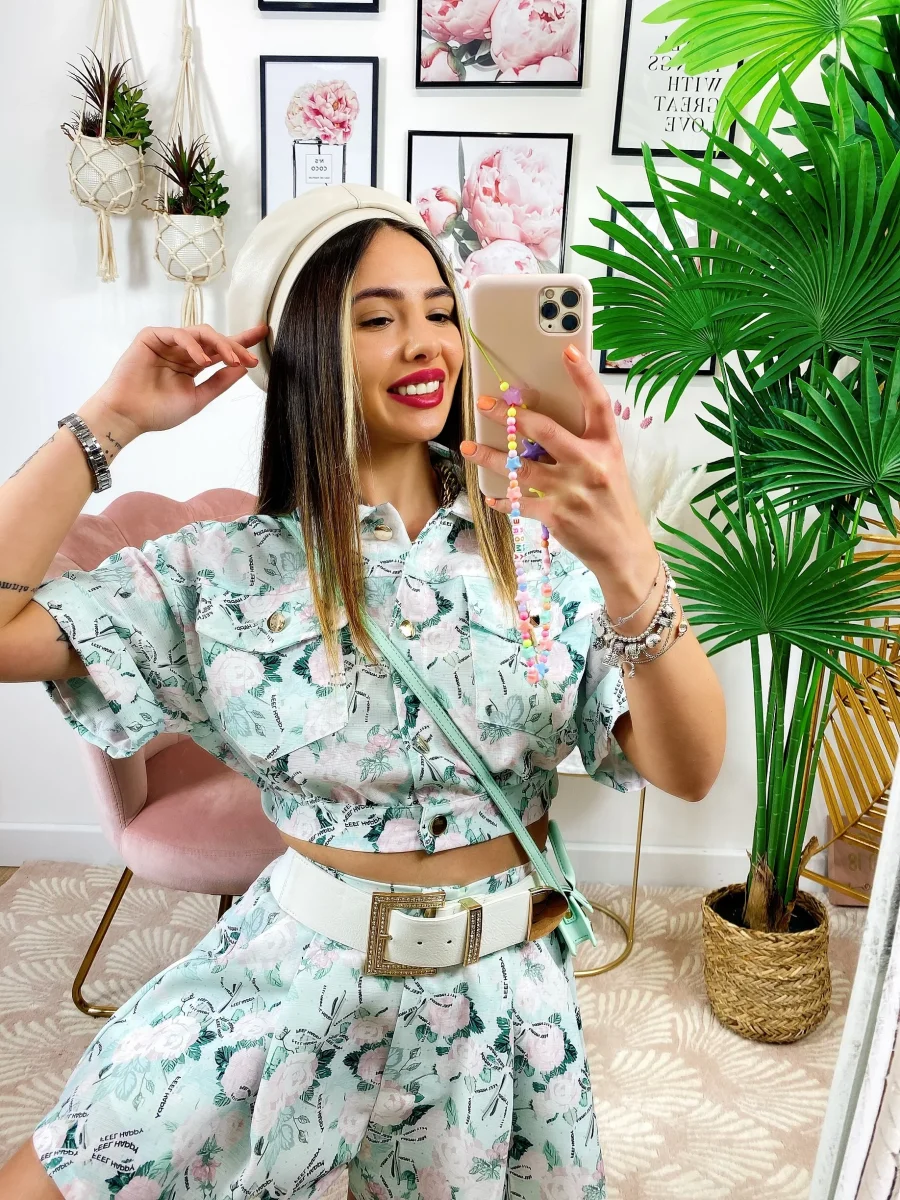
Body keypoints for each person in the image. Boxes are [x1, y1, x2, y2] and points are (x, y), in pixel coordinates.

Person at [0, 184, 725, 1200]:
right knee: (53, 1175)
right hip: (293, 975)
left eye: (441, 312)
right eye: (377, 318)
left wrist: (631, 561)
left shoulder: (548, 555)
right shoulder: (222, 570)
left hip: (498, 1009)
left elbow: (689, 770)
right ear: (302, 351)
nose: (425, 343)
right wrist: (108, 423)